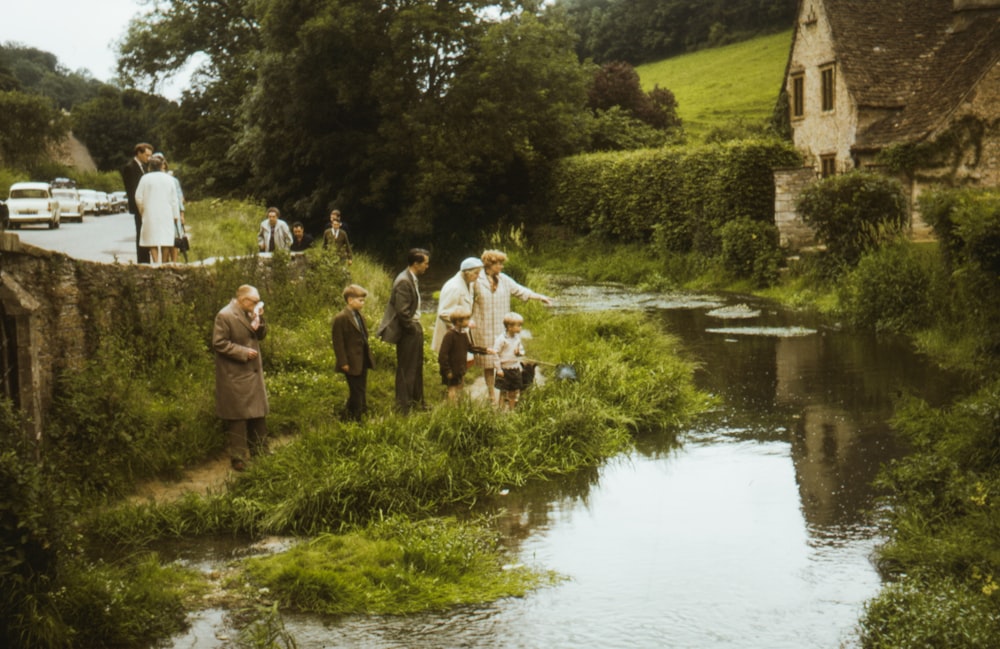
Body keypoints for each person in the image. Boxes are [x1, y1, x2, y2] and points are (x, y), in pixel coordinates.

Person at [471, 249, 552, 403]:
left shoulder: (504, 279)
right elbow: (467, 299)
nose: (501, 266)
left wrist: (539, 297)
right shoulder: (476, 280)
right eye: (499, 263)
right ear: (489, 264)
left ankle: (505, 394)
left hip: (503, 327)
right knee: (488, 363)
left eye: (502, 263)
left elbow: (521, 290)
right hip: (484, 326)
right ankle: (491, 395)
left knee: (506, 362)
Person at [213, 285, 269, 471]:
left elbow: (261, 335)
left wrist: (259, 319)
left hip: (252, 374)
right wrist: (243, 352)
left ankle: (260, 451)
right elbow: (219, 343)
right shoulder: (225, 316)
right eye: (254, 301)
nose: (257, 304)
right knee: (238, 418)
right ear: (244, 300)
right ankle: (238, 457)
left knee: (258, 414)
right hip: (235, 374)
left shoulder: (250, 313)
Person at [376, 248, 430, 412]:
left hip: (414, 327)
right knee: (407, 368)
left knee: (417, 366)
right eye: (426, 263)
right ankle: (403, 406)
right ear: (416, 263)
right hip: (408, 331)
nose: (427, 266)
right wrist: (412, 329)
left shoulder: (411, 278)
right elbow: (402, 312)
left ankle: (417, 402)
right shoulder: (403, 281)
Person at [331, 284, 376, 420]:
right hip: (351, 361)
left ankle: (349, 415)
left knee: (361, 388)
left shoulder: (360, 316)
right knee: (356, 390)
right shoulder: (341, 318)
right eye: (360, 300)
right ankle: (357, 418)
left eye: (363, 301)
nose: (362, 303)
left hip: (362, 359)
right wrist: (343, 361)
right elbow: (338, 343)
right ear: (350, 300)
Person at [431, 257, 483, 354]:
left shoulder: (468, 283)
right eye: (476, 273)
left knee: (463, 363)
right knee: (453, 365)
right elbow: (444, 313)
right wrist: (464, 324)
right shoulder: (454, 287)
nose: (478, 276)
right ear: (467, 272)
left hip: (460, 333)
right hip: (451, 335)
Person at [134, 154, 180, 265]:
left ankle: (155, 262)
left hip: (150, 212)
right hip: (166, 212)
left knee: (151, 237)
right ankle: (164, 263)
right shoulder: (169, 179)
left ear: (150, 167)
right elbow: (174, 200)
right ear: (161, 166)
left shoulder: (145, 178)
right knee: (166, 238)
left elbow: (138, 196)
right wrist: (175, 215)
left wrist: (142, 210)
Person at [120, 142, 153, 264]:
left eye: (150, 156)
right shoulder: (130, 167)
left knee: (146, 233)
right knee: (141, 233)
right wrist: (141, 206)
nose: (148, 158)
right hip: (139, 206)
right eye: (147, 155)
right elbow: (133, 189)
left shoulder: (144, 167)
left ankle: (146, 259)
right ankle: (142, 261)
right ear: (139, 153)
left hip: (146, 205)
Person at [492, 312, 527, 409]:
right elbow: (495, 353)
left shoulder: (517, 338)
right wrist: (498, 369)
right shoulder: (502, 339)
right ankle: (501, 411)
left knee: (513, 391)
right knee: (503, 391)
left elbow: (522, 351)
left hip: (514, 368)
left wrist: (519, 352)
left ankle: (511, 411)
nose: (520, 328)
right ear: (509, 327)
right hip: (504, 369)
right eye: (518, 325)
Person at [438, 307, 473, 402]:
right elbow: (442, 355)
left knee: (460, 388)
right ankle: (452, 410)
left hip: (460, 368)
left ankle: (458, 408)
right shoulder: (450, 335)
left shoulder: (464, 334)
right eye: (466, 319)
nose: (468, 321)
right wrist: (447, 371)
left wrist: (485, 350)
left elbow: (471, 348)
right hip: (451, 369)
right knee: (452, 389)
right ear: (458, 322)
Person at [160, 154, 186, 263]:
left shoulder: (173, 180)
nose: (162, 169)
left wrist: (181, 215)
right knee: (164, 240)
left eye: (163, 166)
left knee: (175, 239)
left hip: (173, 212)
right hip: (162, 213)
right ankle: (164, 263)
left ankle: (174, 262)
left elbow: (179, 198)